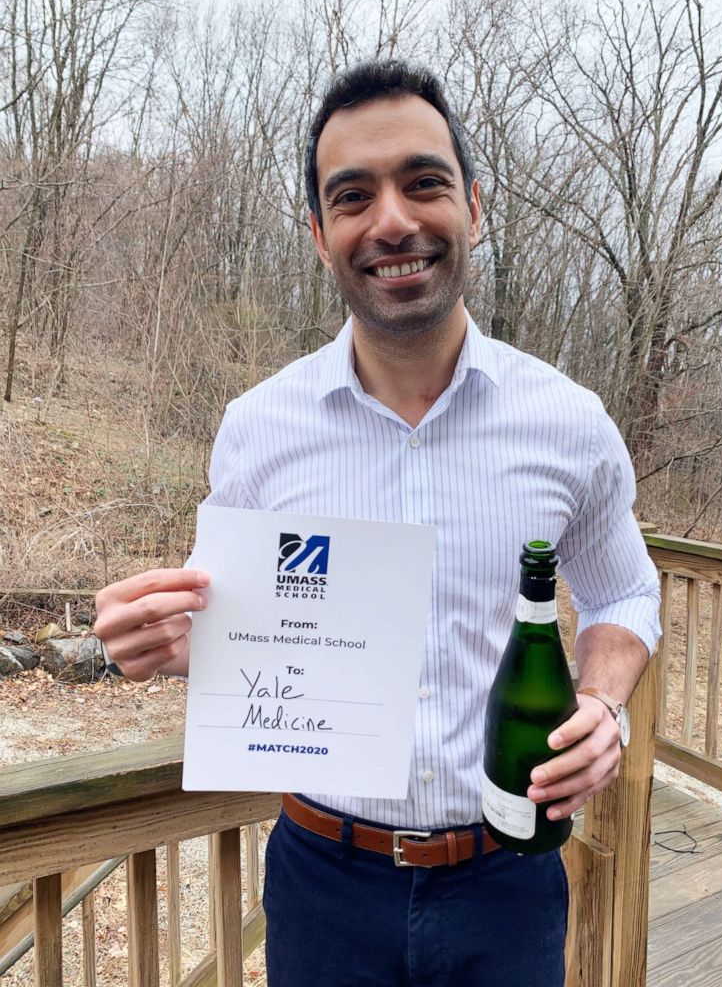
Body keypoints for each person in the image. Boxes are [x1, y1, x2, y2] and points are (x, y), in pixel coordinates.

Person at [95, 59, 661, 987]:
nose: (392, 220)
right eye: (353, 195)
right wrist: (152, 636)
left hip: (507, 879)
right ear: (321, 235)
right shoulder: (258, 429)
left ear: (474, 208)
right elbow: (230, 629)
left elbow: (625, 588)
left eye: (423, 182)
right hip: (322, 883)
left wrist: (602, 706)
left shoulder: (569, 421)